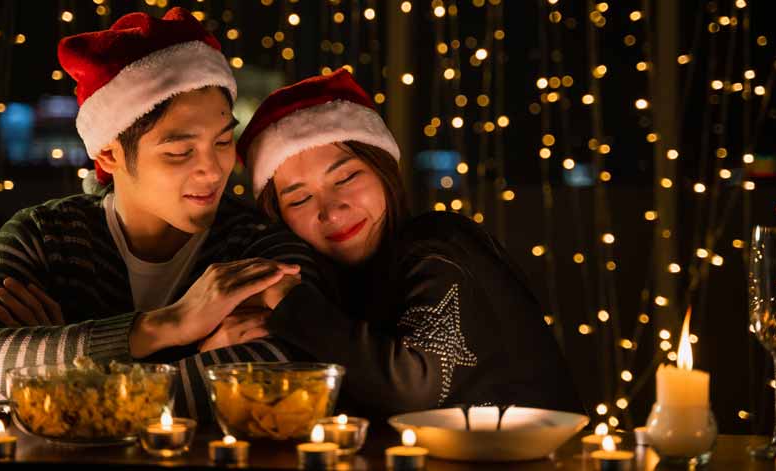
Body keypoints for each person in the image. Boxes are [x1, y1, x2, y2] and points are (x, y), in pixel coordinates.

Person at [0, 8, 324, 420]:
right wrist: (170, 327)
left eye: (222, 141)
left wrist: (52, 368)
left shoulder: (259, 245)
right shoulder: (45, 234)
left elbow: (283, 374)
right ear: (109, 154)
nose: (214, 169)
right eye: (180, 151)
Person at [237, 69, 583, 417]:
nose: (330, 210)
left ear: (384, 170)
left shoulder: (438, 243)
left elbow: (412, 386)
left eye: (346, 177)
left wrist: (287, 300)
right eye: (299, 200)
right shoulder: (338, 285)